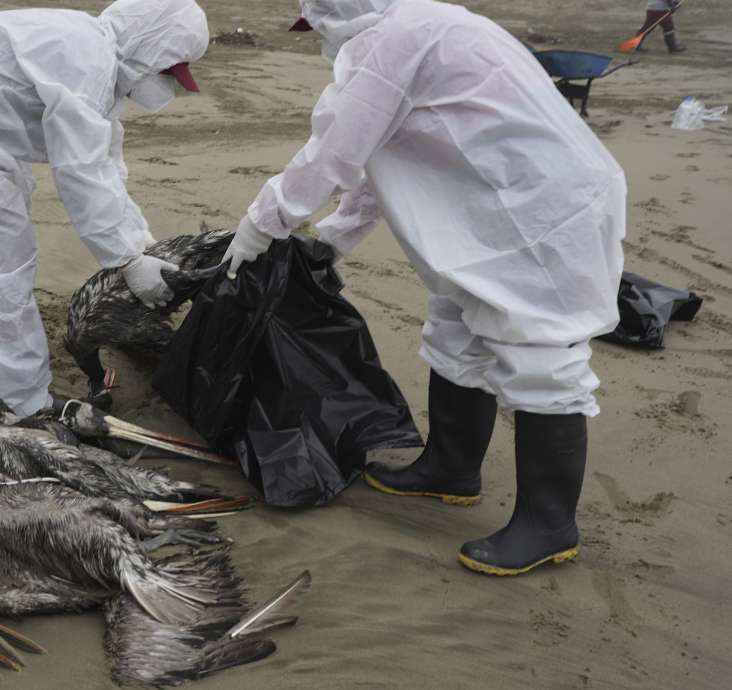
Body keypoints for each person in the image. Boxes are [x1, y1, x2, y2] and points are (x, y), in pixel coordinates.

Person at [223, 0, 625, 576]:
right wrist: (335, 238)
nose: (317, 36)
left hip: (539, 209)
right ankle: (450, 468)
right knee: (457, 329)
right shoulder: (418, 25)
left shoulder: (391, 45)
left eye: (316, 23)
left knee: (538, 352)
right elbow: (384, 154)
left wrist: (263, 223)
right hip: (491, 203)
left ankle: (550, 524)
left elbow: (335, 153)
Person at [0, 0, 209, 416]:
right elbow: (81, 173)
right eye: (167, 71)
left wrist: (142, 244)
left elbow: (105, 163)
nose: (166, 85)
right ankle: (15, 397)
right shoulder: (87, 60)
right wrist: (127, 259)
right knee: (0, 249)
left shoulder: (93, 53)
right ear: (150, 44)